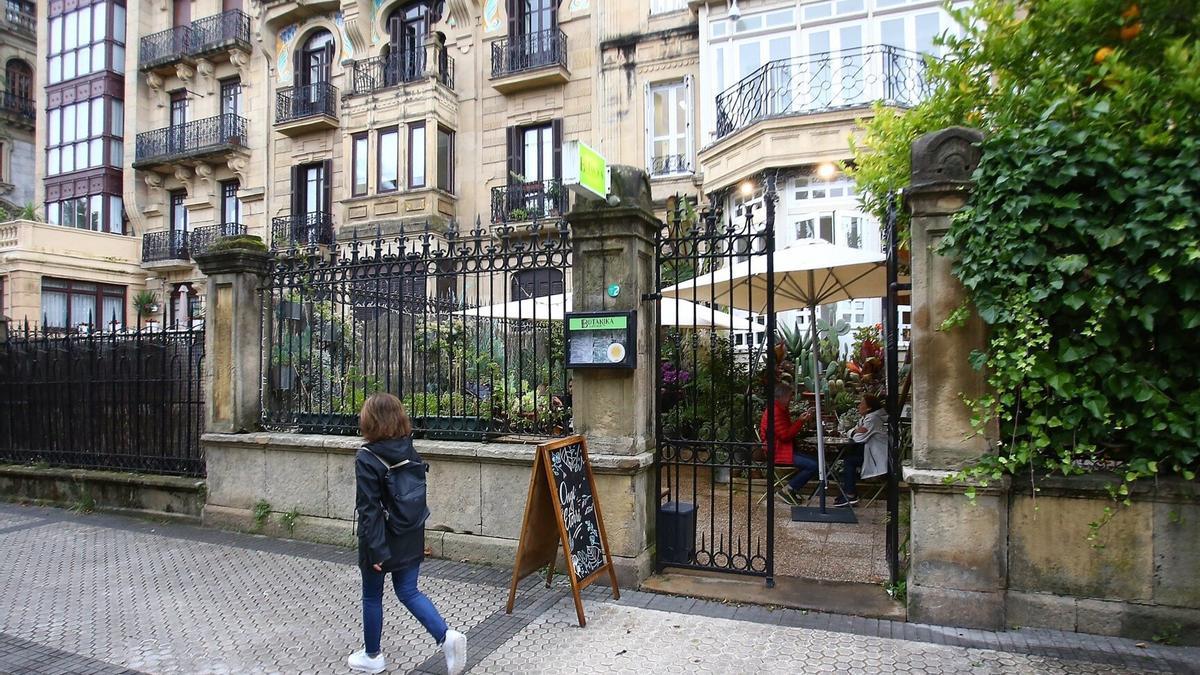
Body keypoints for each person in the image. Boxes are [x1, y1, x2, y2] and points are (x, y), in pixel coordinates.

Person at [349, 393, 467, 675]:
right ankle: (446, 636)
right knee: (409, 591)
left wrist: (375, 549)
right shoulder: (409, 449)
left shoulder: (367, 457)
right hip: (410, 531)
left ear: (369, 421)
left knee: (371, 596)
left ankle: (373, 656)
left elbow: (369, 509)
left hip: (380, 537)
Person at [759, 382, 818, 503]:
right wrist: (800, 422)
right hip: (778, 451)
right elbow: (785, 435)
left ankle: (790, 489)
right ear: (782, 397)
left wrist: (800, 421)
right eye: (789, 396)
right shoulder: (776, 412)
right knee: (813, 465)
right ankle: (788, 489)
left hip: (782, 449)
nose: (791, 398)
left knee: (814, 462)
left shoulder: (779, 409)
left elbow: (785, 430)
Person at [836, 393, 888, 507]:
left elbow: (859, 438)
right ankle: (848, 491)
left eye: (861, 404)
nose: (858, 406)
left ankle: (850, 494)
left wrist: (853, 432)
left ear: (869, 408)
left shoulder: (872, 419)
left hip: (878, 458)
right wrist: (854, 431)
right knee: (849, 456)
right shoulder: (866, 418)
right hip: (871, 452)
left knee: (849, 461)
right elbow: (854, 431)